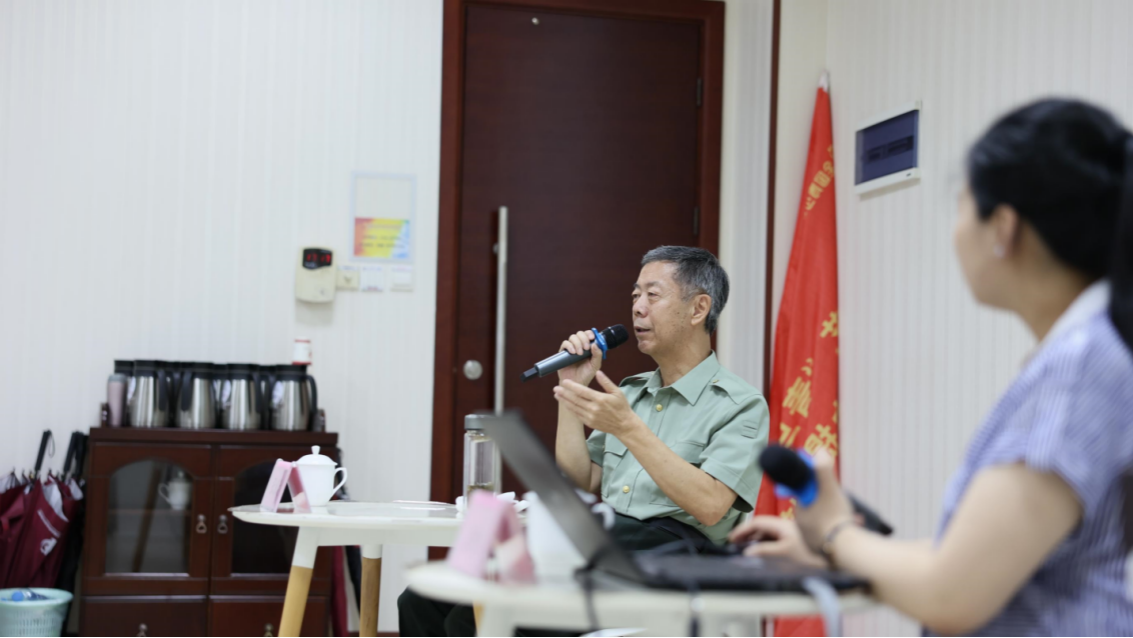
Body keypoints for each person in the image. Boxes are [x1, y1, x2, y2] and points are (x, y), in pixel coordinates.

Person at [731, 98, 1133, 636]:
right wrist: (838, 551)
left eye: (962, 205)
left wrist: (834, 532)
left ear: (1004, 228)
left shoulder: (1078, 368)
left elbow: (952, 594)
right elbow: (978, 560)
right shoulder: (1088, 352)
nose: (956, 231)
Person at [398, 246, 769, 636]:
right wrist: (571, 389)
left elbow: (711, 506)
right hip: (603, 547)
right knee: (422, 599)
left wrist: (629, 429)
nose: (638, 307)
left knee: (479, 617)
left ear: (698, 309)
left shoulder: (740, 404)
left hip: (672, 563)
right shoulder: (632, 392)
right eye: (635, 295)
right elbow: (581, 480)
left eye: (652, 295)